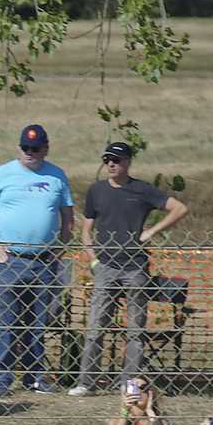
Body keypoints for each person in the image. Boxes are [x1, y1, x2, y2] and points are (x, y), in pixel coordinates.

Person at [72, 140, 189, 394]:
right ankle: (86, 382)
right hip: (105, 266)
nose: (111, 164)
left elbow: (179, 208)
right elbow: (86, 230)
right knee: (95, 328)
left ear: (128, 162)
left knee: (135, 330)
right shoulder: (96, 191)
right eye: (107, 160)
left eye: (116, 160)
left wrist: (152, 231)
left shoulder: (142, 190)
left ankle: (129, 383)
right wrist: (93, 259)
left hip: (135, 268)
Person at [0, 122, 76, 395]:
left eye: (36, 148)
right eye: (26, 148)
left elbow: (68, 219)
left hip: (45, 262)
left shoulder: (57, 176)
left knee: (37, 323)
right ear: (19, 148)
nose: (30, 153)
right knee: (6, 323)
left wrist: (59, 249)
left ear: (46, 149)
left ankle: (35, 378)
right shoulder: (2, 174)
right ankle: (2, 381)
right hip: (10, 260)